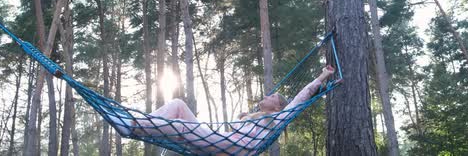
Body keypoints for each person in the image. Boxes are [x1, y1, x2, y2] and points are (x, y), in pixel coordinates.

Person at [109, 65, 336, 154]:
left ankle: (132, 125)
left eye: (271, 96)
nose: (266, 96)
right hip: (221, 140)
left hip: (230, 147)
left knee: (179, 126)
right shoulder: (255, 119)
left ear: (277, 106)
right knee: (178, 105)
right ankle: (134, 122)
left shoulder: (277, 118)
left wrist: (323, 76)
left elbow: (299, 98)